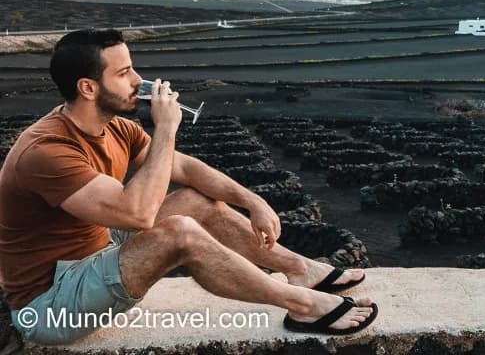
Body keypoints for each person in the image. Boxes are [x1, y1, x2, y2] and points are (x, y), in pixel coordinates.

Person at [0, 29, 378, 345]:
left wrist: (252, 201)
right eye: (125, 73)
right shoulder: (47, 151)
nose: (138, 81)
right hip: (52, 302)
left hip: (94, 252)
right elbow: (138, 214)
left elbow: (184, 167)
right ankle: (302, 305)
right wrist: (166, 128)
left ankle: (298, 268)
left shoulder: (114, 126)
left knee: (196, 201)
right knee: (179, 233)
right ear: (88, 87)